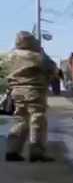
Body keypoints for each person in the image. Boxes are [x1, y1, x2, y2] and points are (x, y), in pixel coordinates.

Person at [4, 30, 58, 162]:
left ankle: (13, 150)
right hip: (34, 90)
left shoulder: (11, 56)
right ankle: (36, 151)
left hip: (17, 90)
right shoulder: (36, 55)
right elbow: (52, 68)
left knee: (21, 119)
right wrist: (42, 52)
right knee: (37, 119)